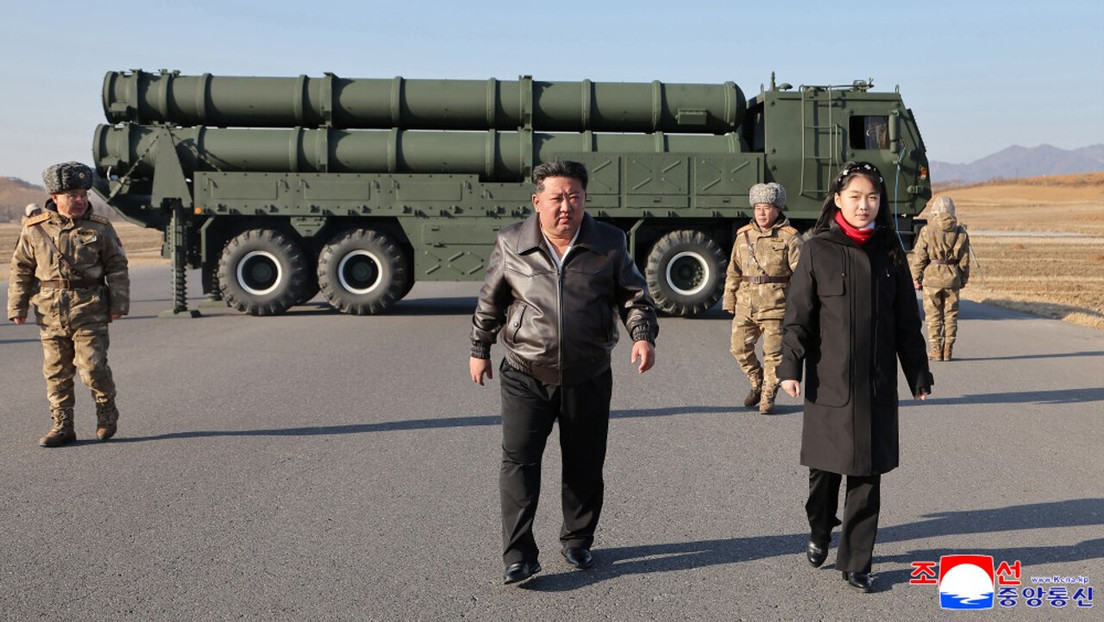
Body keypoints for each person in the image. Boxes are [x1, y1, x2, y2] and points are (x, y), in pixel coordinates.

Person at [469, 160, 659, 585]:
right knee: (519, 461)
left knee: (585, 462)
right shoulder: (512, 242)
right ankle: (518, 556)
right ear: (537, 201)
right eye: (556, 197)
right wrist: (480, 348)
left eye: (574, 197)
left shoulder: (609, 242)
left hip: (588, 373)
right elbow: (490, 301)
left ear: (585, 199)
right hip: (525, 372)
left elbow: (634, 297)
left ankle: (577, 539)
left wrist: (642, 335)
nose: (565, 206)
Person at [777, 161, 932, 593]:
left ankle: (857, 561)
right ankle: (820, 528)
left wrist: (918, 373)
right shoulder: (818, 249)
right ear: (838, 200)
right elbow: (798, 317)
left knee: (867, 474)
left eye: (873, 198)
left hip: (876, 385)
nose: (864, 205)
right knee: (824, 474)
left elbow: (907, 321)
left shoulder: (890, 251)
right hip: (829, 383)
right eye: (856, 197)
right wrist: (790, 367)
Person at [7, 162, 130, 447]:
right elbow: (21, 269)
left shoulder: (100, 227)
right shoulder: (35, 229)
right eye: (73, 195)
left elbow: (117, 266)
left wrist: (119, 303)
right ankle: (62, 426)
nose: (80, 200)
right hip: (50, 311)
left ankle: (106, 409)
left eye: (84, 195)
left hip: (90, 308)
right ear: (55, 197)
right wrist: (17, 306)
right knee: (56, 372)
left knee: (92, 367)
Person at [721, 182, 802, 414]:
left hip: (776, 306)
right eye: (757, 208)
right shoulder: (743, 236)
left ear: (777, 209)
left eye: (766, 208)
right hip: (746, 305)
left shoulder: (790, 238)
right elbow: (733, 271)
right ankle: (757, 381)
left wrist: (797, 306)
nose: (761, 213)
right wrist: (729, 299)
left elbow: (802, 276)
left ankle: (768, 395)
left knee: (773, 355)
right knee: (738, 348)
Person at [910, 196, 971, 361]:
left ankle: (936, 349)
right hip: (952, 278)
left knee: (933, 316)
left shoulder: (927, 231)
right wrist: (963, 279)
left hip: (932, 279)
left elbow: (919, 257)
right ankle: (948, 349)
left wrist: (916, 277)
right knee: (951, 315)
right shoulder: (961, 233)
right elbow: (965, 260)